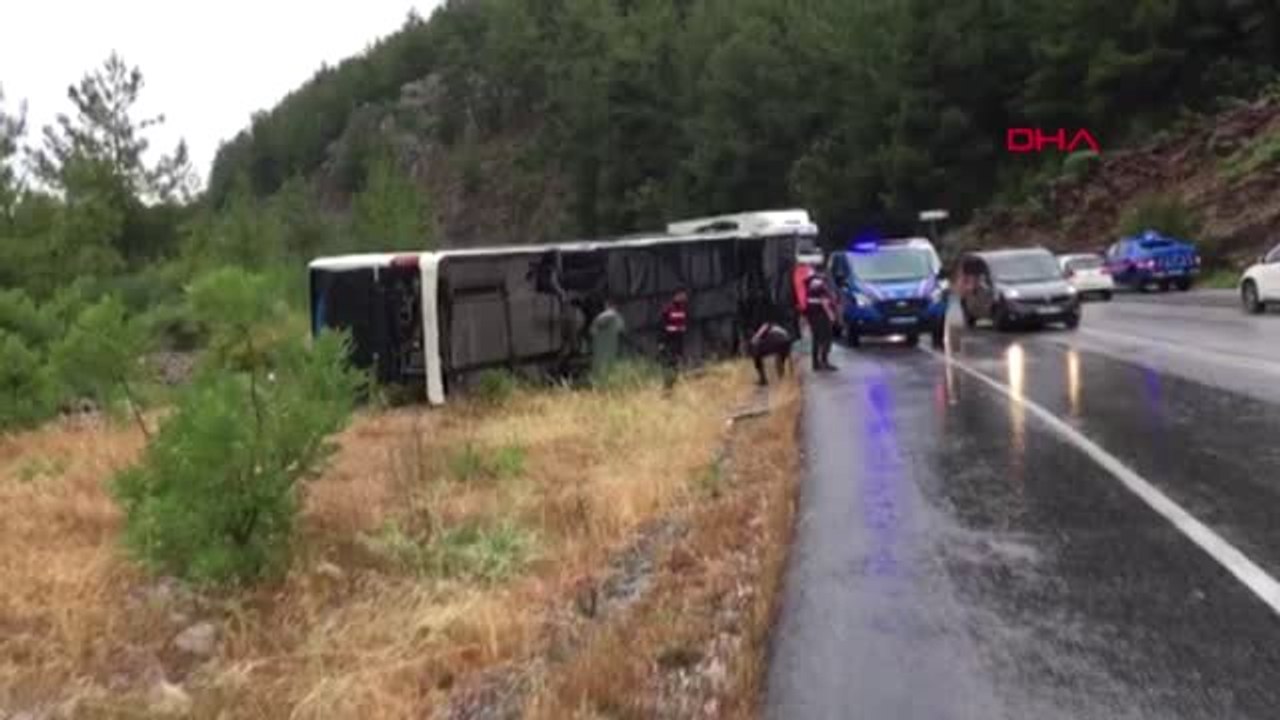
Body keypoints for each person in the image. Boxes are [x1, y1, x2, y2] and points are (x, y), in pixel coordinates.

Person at [804, 272, 838, 372]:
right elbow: (825, 302)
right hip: (822, 315)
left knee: (816, 338)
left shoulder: (810, 285)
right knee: (827, 337)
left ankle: (815, 363)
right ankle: (824, 361)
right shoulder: (821, 286)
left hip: (812, 315)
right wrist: (831, 316)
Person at [748, 317, 793, 386]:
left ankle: (763, 379)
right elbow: (787, 337)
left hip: (776, 341)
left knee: (756, 352)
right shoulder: (780, 328)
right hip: (786, 342)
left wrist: (753, 342)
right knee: (780, 358)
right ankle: (781, 375)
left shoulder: (766, 325)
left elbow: (755, 339)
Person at [588, 296, 625, 382]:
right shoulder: (617, 316)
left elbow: (592, 330)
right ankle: (609, 381)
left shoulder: (602, 316)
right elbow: (621, 330)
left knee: (599, 365)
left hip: (600, 345)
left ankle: (598, 382)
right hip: (613, 345)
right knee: (610, 365)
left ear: (606, 305)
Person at [659, 289, 690, 388]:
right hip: (669, 342)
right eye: (682, 295)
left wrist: (681, 328)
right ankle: (667, 386)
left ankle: (672, 385)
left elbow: (682, 325)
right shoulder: (668, 309)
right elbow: (662, 327)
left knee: (676, 365)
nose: (684, 297)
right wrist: (661, 342)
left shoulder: (682, 309)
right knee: (669, 364)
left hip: (678, 342)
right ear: (676, 296)